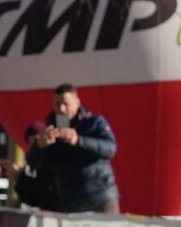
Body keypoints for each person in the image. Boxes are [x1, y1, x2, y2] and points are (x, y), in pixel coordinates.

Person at [28, 83, 120, 213]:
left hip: (99, 198)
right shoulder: (49, 130)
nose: (62, 109)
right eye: (57, 104)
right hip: (69, 203)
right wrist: (39, 146)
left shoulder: (94, 123)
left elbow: (110, 149)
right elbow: (33, 164)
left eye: (66, 104)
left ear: (77, 103)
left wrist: (79, 141)